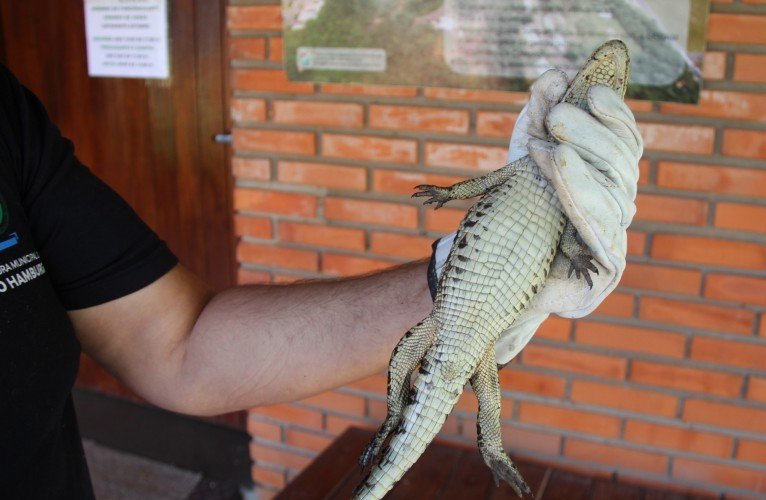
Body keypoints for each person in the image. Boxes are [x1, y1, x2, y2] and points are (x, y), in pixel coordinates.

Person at [0, 60, 640, 498]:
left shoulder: (7, 118)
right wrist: (450, 196)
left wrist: (446, 272)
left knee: (433, 385)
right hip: (463, 323)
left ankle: (451, 441)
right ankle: (464, 442)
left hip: (471, 296)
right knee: (419, 390)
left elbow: (176, 341)